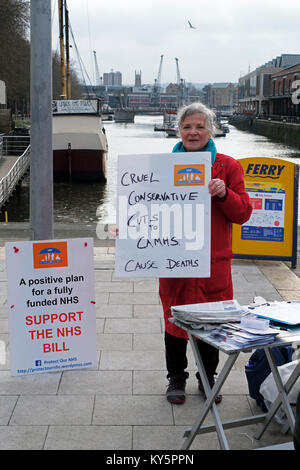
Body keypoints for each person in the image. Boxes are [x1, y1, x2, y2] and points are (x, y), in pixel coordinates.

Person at [160, 102, 253, 405]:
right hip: (175, 262)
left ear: (211, 130)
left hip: (213, 264)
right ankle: (176, 378)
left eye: (200, 126)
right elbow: (146, 208)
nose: (193, 132)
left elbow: (243, 214)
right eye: (187, 127)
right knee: (174, 321)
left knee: (211, 324)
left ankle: (207, 378)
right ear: (179, 131)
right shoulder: (161, 168)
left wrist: (225, 193)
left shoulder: (228, 166)